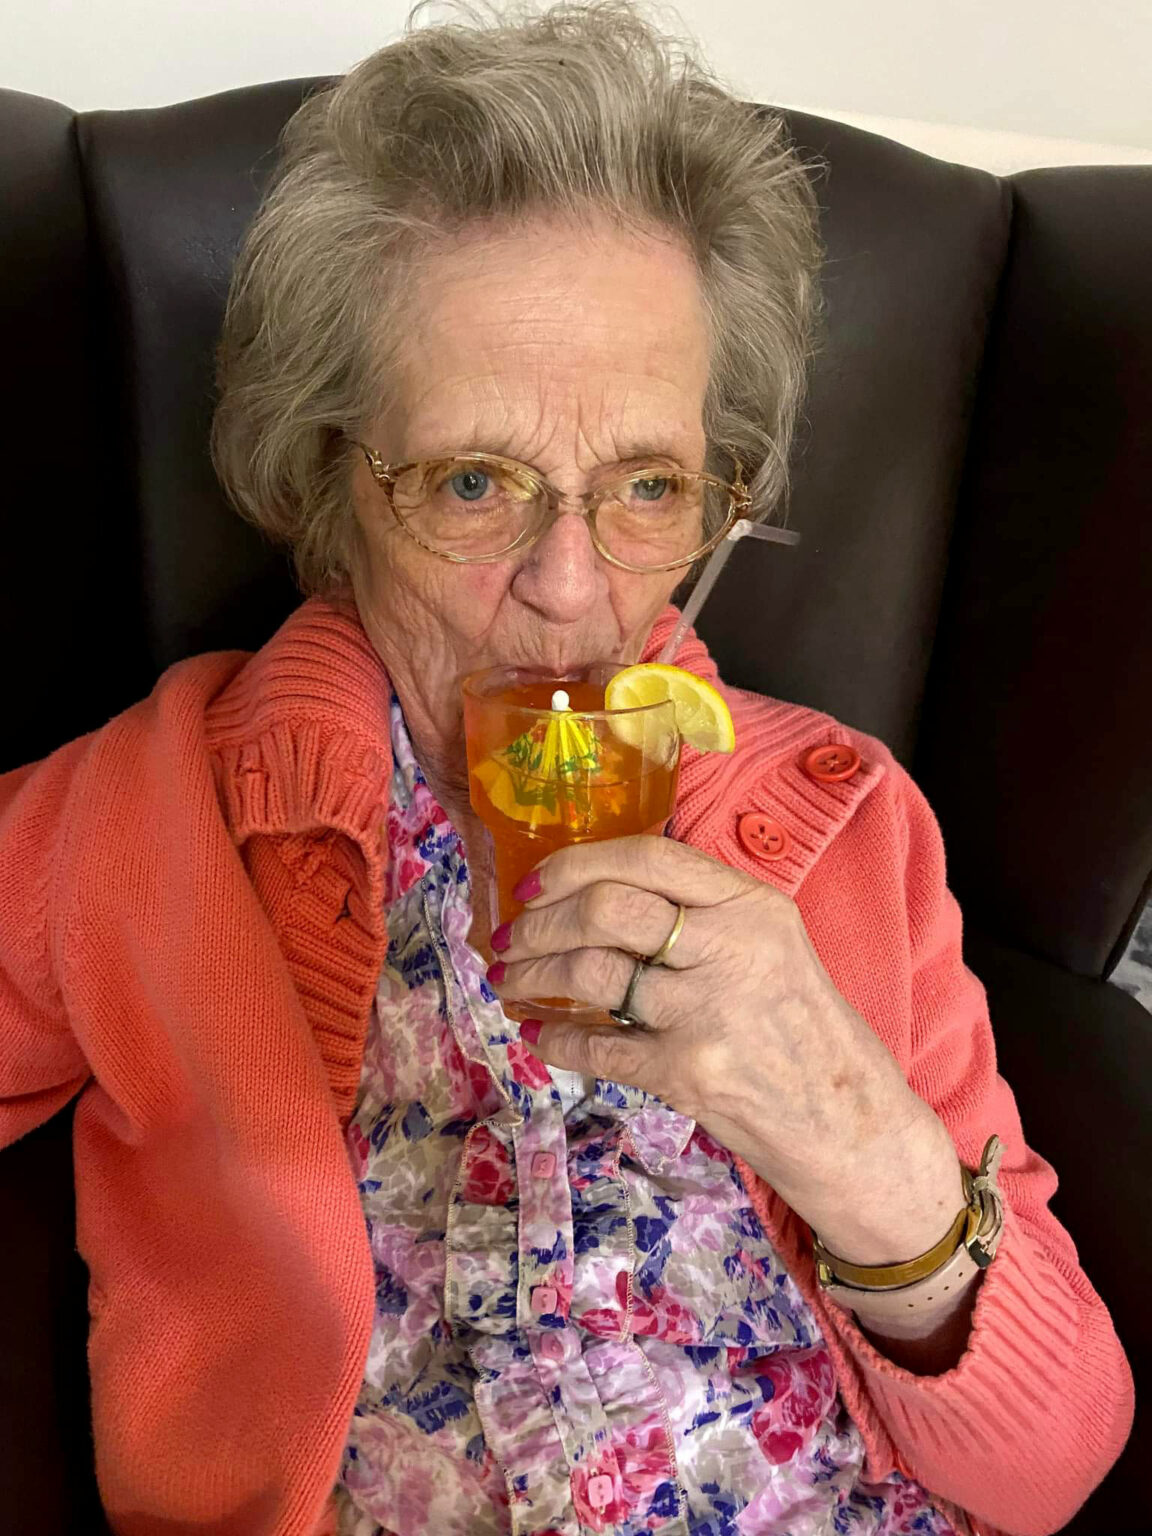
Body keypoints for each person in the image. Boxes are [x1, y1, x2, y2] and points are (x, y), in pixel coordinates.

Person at [0, 5, 1133, 1534]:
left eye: (649, 486)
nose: (570, 587)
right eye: (474, 481)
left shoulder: (850, 817)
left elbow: (1054, 1471)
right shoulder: (140, 817)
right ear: (329, 474)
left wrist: (856, 1136)